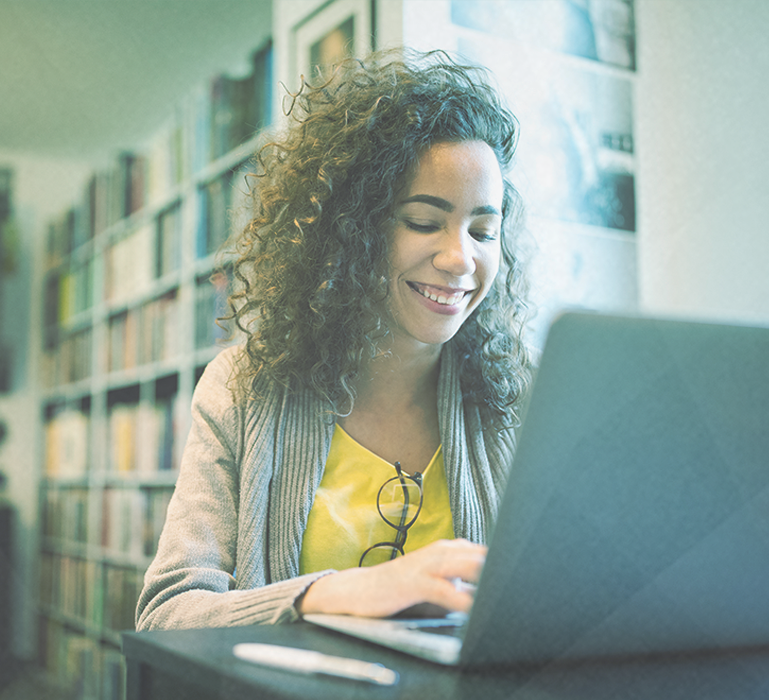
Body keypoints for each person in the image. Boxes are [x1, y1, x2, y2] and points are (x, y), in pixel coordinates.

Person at [136, 49, 534, 631]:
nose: (459, 259)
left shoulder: (525, 399)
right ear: (349, 227)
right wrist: (335, 595)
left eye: (483, 231)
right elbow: (166, 613)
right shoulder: (242, 388)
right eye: (423, 222)